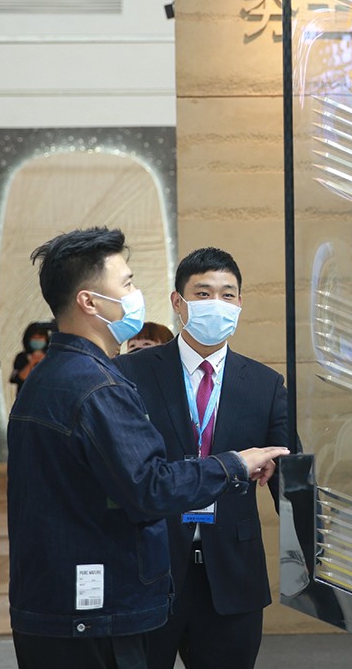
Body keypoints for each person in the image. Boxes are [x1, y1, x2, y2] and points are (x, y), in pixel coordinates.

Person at [7, 227, 288, 669]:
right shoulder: (103, 383)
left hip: (196, 581)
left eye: (228, 294)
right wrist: (234, 464)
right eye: (127, 283)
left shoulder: (54, 374)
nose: (136, 295)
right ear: (90, 301)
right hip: (102, 602)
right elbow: (148, 485)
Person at [116, 247, 290, 669]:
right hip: (149, 570)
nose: (217, 303)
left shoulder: (264, 384)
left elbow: (288, 473)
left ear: (240, 303)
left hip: (232, 575)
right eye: (203, 293)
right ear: (178, 303)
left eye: (227, 295)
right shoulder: (131, 373)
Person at [10, 321, 52, 394]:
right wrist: (31, 362)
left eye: (40, 337)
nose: (37, 340)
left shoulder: (52, 357)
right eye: (34, 338)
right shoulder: (21, 357)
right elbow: (20, 378)